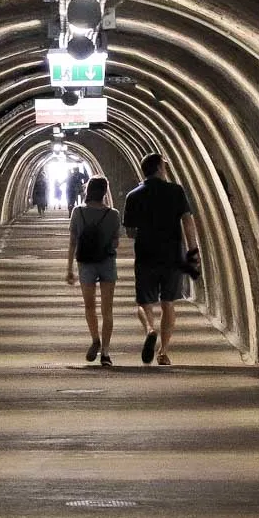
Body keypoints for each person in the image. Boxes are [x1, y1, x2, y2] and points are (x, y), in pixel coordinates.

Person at [122, 152, 200, 366]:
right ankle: (163, 352)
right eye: (164, 165)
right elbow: (187, 222)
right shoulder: (176, 191)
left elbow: (130, 231)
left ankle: (149, 329)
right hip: (172, 254)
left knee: (144, 300)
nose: (166, 168)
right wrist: (193, 251)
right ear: (158, 168)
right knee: (168, 303)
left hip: (146, 254)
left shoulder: (133, 195)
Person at [65, 176, 120, 366]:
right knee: (108, 310)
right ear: (105, 192)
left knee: (89, 306)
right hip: (107, 263)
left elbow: (73, 241)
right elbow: (116, 242)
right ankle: (105, 352)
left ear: (88, 191)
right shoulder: (113, 214)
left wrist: (69, 268)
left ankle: (95, 338)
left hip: (85, 263)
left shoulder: (78, 212)